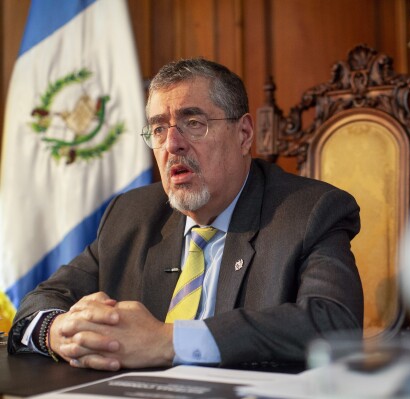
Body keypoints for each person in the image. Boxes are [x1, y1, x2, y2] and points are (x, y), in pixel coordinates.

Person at [7, 58, 363, 371]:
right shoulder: (130, 214)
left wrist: (168, 341)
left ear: (243, 134)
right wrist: (58, 333)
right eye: (159, 129)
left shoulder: (309, 212)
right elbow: (37, 303)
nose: (172, 144)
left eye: (193, 122)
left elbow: (334, 323)